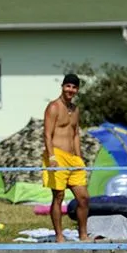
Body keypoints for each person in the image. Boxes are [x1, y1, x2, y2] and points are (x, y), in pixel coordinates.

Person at [43, 73, 88, 242]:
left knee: (83, 198)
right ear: (62, 87)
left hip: (73, 158)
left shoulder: (75, 110)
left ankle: (83, 234)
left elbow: (75, 134)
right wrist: (52, 157)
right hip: (57, 155)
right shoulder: (53, 107)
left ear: (77, 90)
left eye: (74, 87)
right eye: (68, 86)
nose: (70, 90)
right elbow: (47, 134)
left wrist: (80, 157)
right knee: (59, 196)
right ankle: (59, 236)